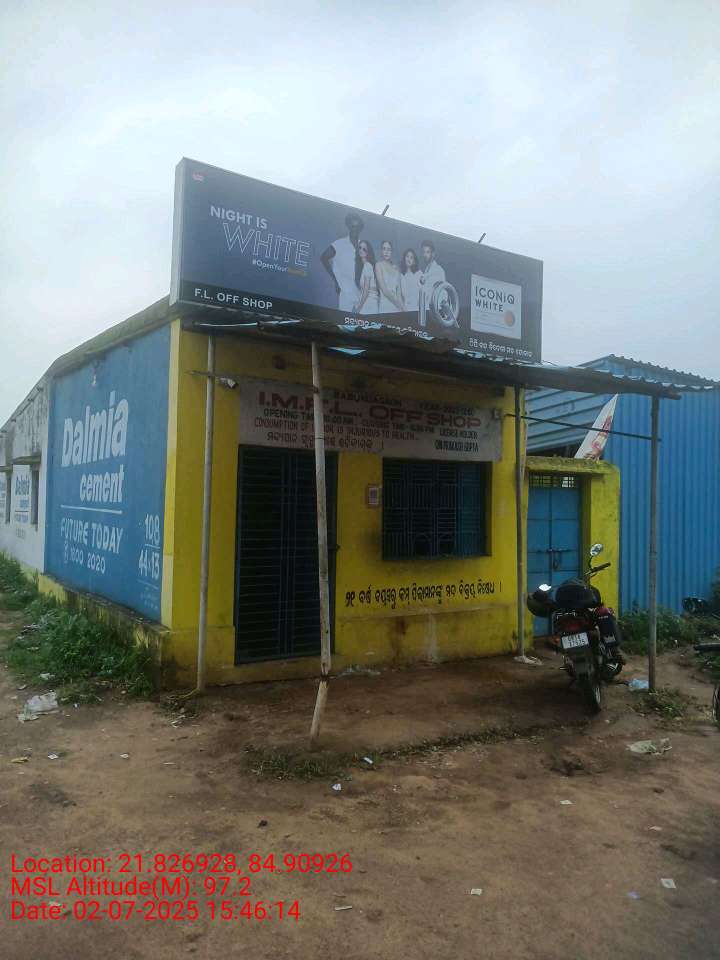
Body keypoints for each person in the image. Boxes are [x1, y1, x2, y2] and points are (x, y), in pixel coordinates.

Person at [321, 212, 364, 312]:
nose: (355, 229)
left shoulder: (363, 246)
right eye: (352, 226)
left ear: (360, 228)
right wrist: (335, 280)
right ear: (348, 226)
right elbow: (323, 257)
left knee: (364, 319)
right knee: (342, 319)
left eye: (357, 227)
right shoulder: (339, 244)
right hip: (345, 291)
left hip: (360, 291)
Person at [374, 240, 404, 313]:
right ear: (381, 251)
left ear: (392, 251)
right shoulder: (378, 265)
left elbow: (399, 294)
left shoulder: (396, 269)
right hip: (385, 306)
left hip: (397, 308)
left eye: (389, 249)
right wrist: (398, 304)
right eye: (384, 249)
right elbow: (384, 290)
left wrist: (403, 309)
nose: (386, 252)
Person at [353, 240, 379, 315]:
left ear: (368, 252)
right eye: (360, 248)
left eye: (364, 249)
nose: (361, 250)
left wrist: (359, 308)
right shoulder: (365, 266)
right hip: (369, 303)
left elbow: (366, 290)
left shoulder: (367, 266)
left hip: (369, 304)